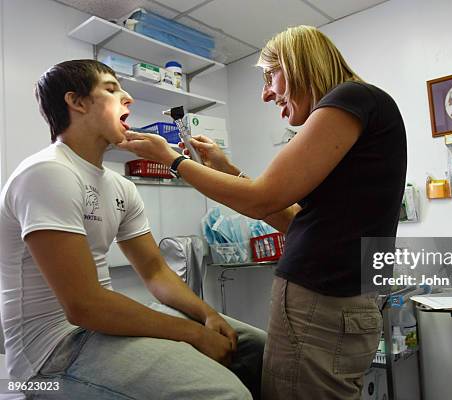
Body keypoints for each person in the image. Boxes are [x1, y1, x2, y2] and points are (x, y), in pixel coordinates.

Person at [118, 25, 407, 400]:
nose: (266, 93)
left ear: (299, 64)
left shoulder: (351, 98)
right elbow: (292, 219)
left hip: (322, 303)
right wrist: (225, 170)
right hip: (342, 303)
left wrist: (171, 161)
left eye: (271, 75)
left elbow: (260, 199)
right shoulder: (362, 112)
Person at [0, 60, 265, 399]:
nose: (128, 98)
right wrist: (193, 334)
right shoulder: (47, 174)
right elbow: (83, 306)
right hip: (52, 350)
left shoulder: (120, 187)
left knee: (256, 349)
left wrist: (207, 315)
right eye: (111, 89)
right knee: (227, 394)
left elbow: (154, 270)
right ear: (77, 102)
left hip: (98, 329)